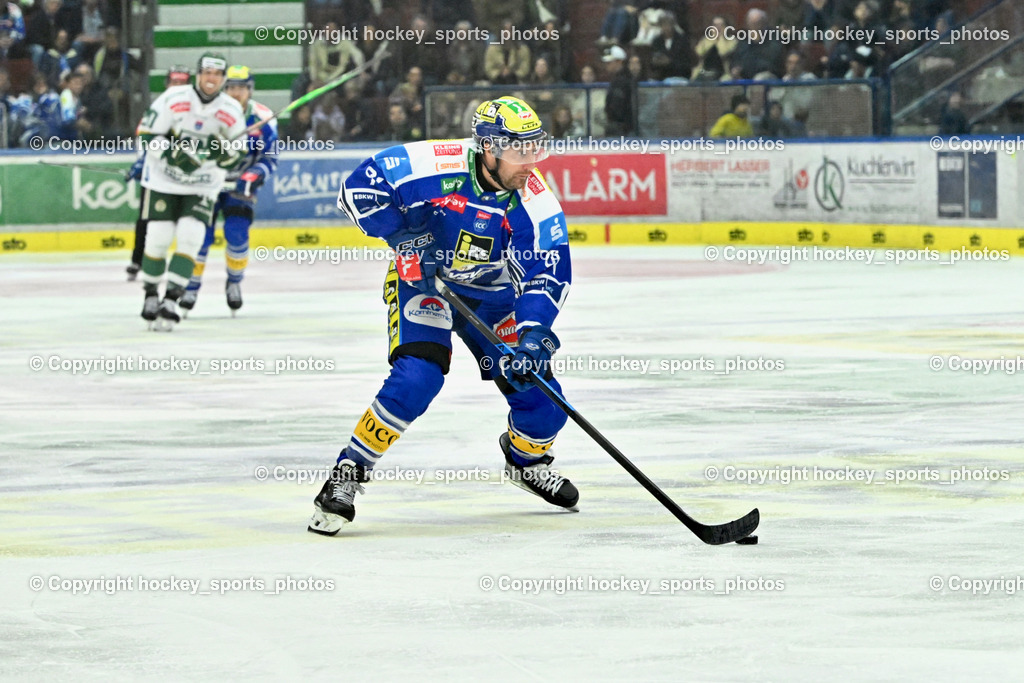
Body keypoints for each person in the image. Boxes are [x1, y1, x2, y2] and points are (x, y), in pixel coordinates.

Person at [310, 96, 578, 534]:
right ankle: (347, 474)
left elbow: (547, 272)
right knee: (418, 378)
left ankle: (526, 462)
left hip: (493, 299)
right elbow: (357, 191)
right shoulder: (432, 164)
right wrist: (406, 238)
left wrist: (533, 335)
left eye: (535, 149)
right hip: (423, 285)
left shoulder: (534, 201)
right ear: (488, 148)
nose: (529, 162)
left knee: (543, 398)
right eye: (518, 151)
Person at [135, 52, 245, 330]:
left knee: (190, 237)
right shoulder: (173, 99)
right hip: (164, 180)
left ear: (223, 79)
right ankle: (150, 293)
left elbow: (237, 154)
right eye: (207, 72)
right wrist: (172, 154)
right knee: (157, 238)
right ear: (199, 74)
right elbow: (146, 134)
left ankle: (172, 298)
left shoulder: (231, 110)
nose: (212, 79)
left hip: (203, 184)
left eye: (217, 75)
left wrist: (225, 154)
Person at [180, 65, 278, 315]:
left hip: (240, 187)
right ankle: (190, 287)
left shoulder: (263, 118)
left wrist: (253, 176)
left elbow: (270, 159)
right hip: (207, 184)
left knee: (236, 233)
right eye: (232, 88)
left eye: (241, 88)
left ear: (250, 89)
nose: (236, 93)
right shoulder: (208, 113)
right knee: (200, 237)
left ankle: (234, 283)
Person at [125, 65, 191, 281]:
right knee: (146, 218)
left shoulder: (194, 109)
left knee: (187, 222)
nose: (177, 86)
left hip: (185, 175)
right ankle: (137, 260)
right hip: (156, 175)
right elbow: (144, 135)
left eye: (182, 82)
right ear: (166, 84)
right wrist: (141, 162)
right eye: (174, 82)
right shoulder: (158, 106)